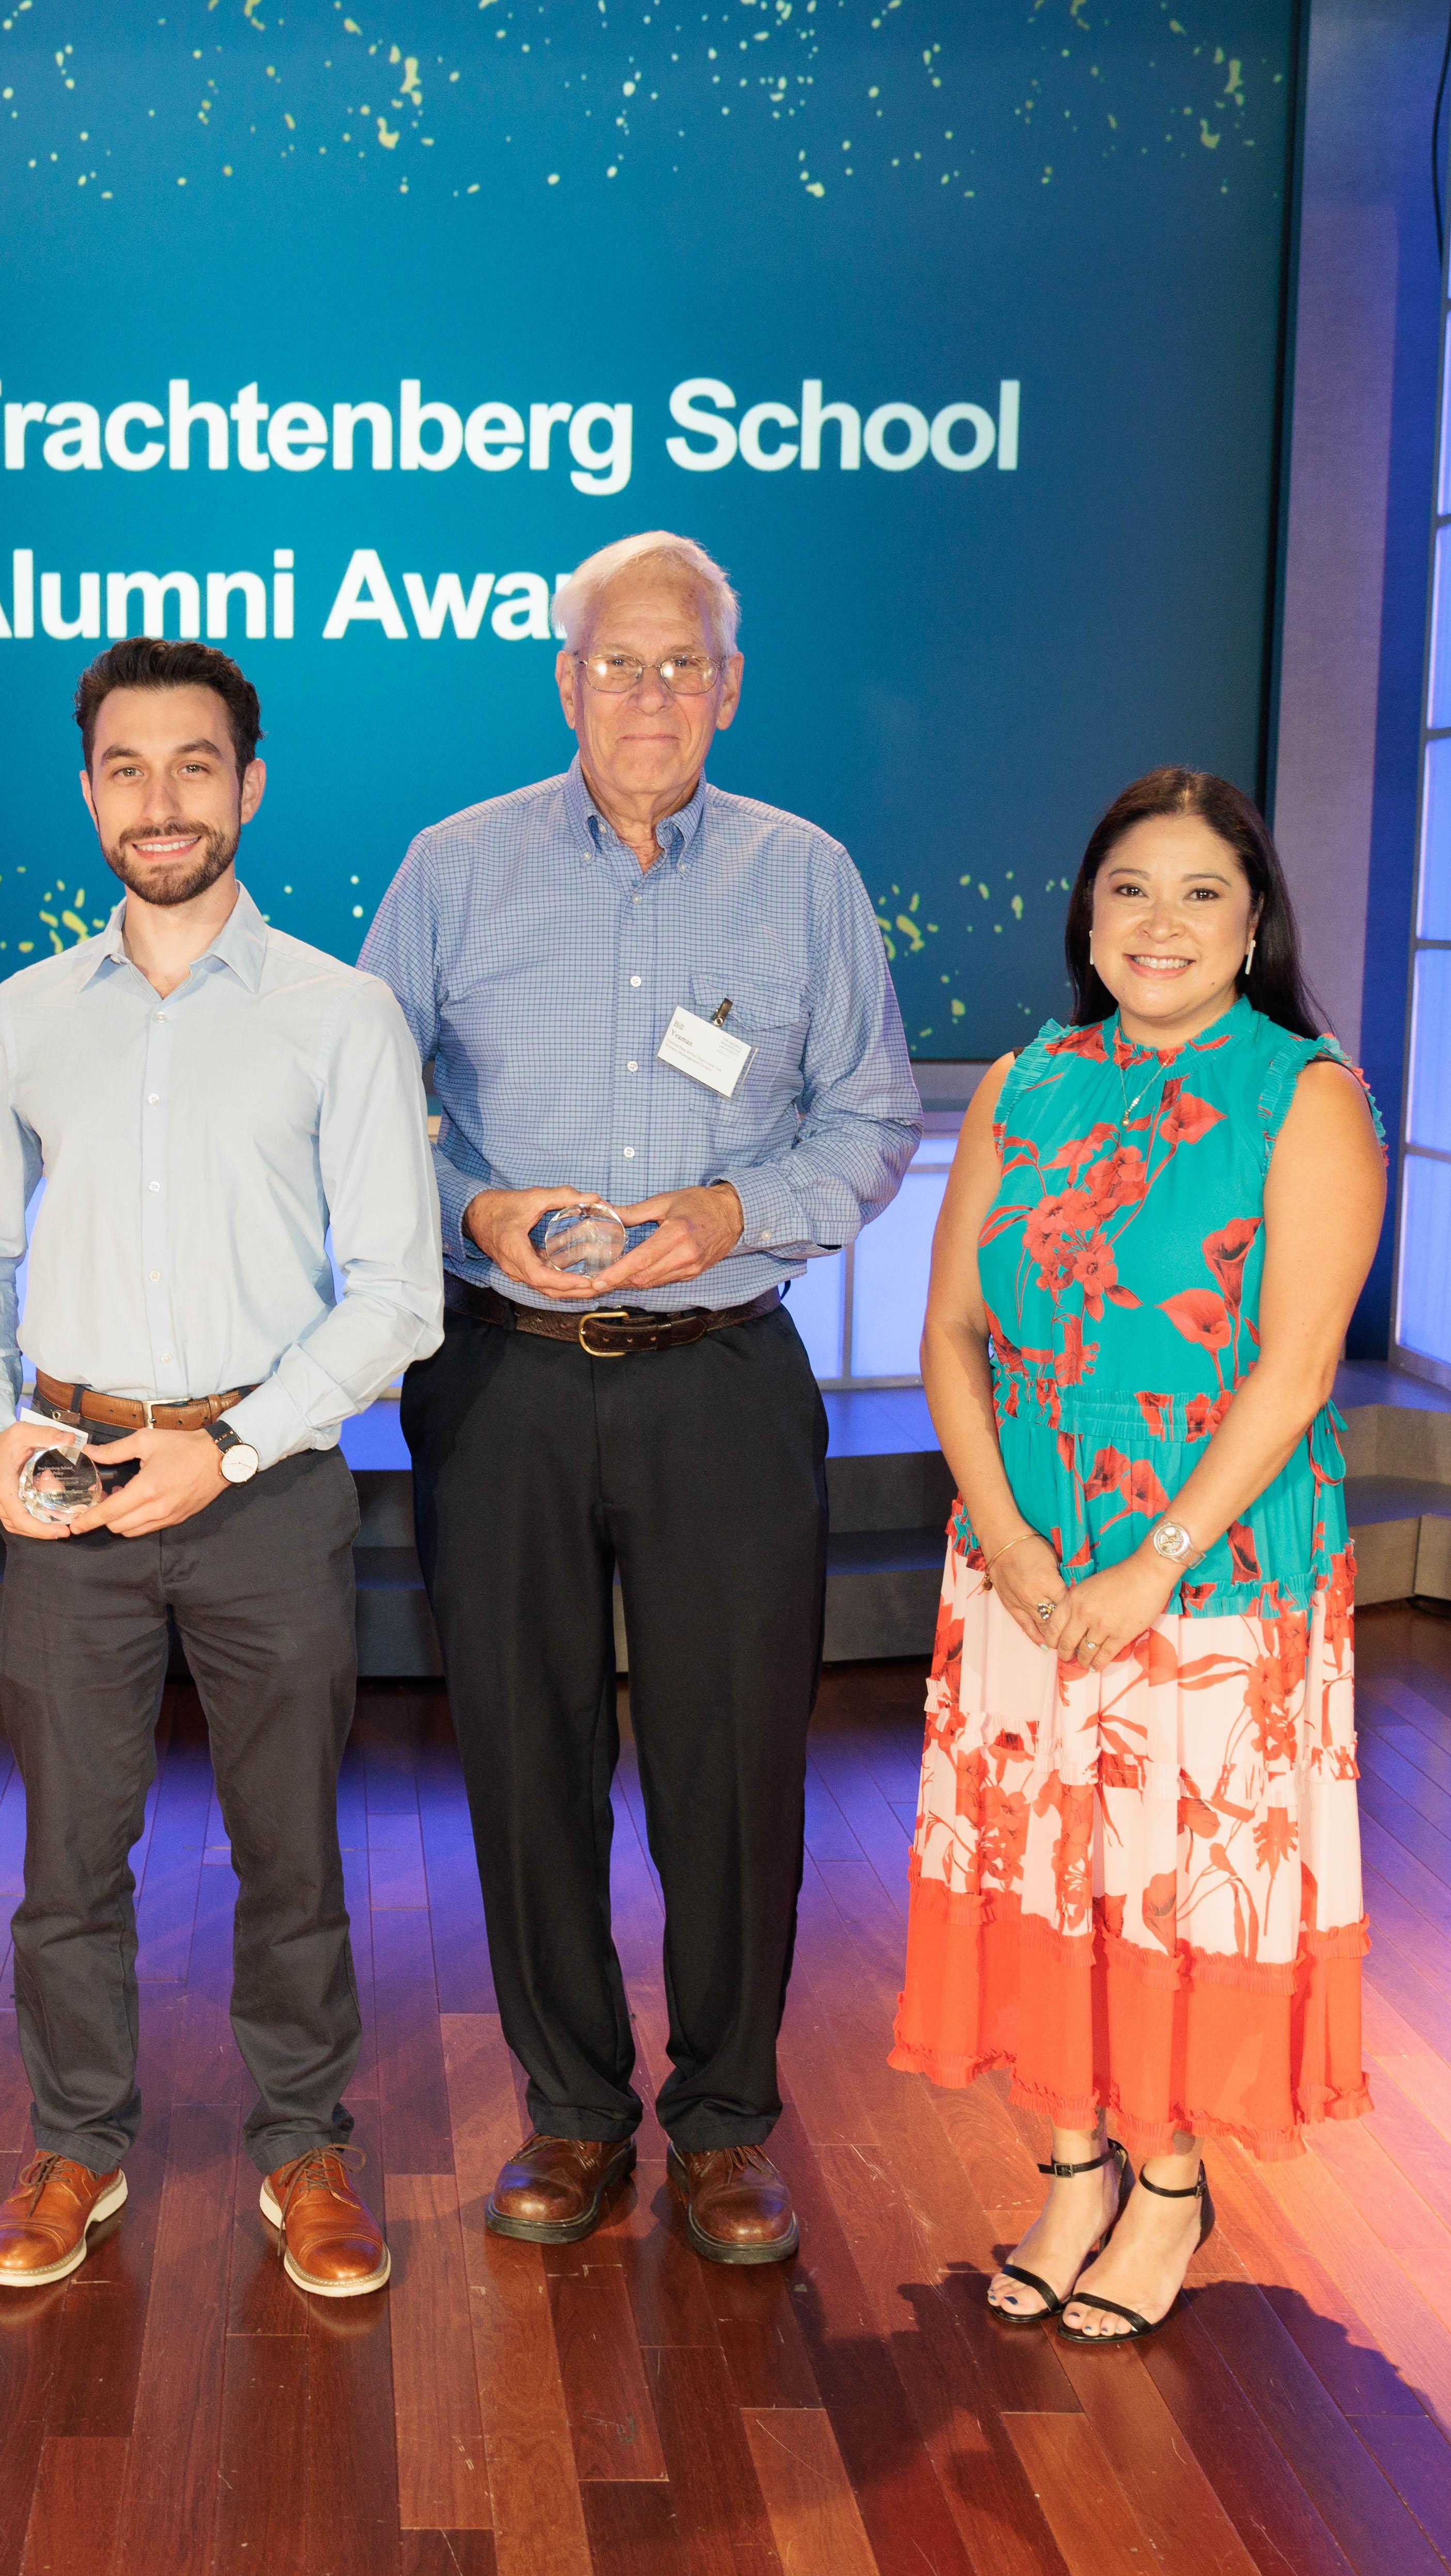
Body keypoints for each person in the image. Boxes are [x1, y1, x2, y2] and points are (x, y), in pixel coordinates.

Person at [358, 530, 917, 2264]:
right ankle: (576, 2113)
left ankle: (731, 2125)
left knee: (732, 1768)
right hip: (503, 1379)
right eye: (621, 663)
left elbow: (871, 1118)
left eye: (686, 667)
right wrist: (475, 1207)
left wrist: (726, 1216)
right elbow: (369, 1114)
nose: (654, 695)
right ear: (566, 681)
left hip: (722, 1376)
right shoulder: (451, 870)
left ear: (731, 689)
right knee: (528, 1762)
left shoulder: (806, 874)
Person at [0, 637, 440, 2299]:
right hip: (69, 1483)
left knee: (290, 1846)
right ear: (88, 793)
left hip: (265, 1486)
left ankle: (305, 2148)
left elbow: (398, 1297)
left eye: (195, 766)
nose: (162, 802)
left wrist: (223, 1447)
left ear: (252, 786)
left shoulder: (338, 1014)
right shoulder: (25, 1016)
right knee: (70, 1857)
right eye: (127, 770)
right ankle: (77, 2145)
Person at [891, 769, 1384, 2349]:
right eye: (1128, 891)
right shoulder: (1027, 1082)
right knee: (1050, 1869)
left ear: (1253, 929)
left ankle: (1169, 2185)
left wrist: (1146, 1566)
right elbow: (951, 1331)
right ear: (1085, 919)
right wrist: (1016, 1545)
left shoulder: (1303, 1096)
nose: (1158, 924)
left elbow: (1294, 1375)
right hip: (1027, 1560)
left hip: (1210, 1572)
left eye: (1199, 895)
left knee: (1167, 1884)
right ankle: (1072, 2163)